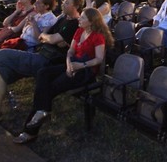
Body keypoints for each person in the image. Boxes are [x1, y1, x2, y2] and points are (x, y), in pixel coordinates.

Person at [0, 0, 84, 131]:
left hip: (47, 61)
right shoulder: (62, 19)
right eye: (64, 1)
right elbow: (45, 37)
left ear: (76, 6)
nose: (63, 4)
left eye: (67, 3)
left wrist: (50, 38)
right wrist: (50, 38)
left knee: (1, 54)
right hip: (41, 52)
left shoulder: (75, 24)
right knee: (2, 70)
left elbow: (50, 39)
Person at [13, 8, 114, 144]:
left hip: (86, 71)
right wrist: (69, 65)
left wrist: (80, 65)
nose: (79, 19)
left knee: (48, 89)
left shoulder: (98, 37)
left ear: (91, 22)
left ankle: (30, 131)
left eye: (83, 18)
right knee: (43, 73)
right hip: (72, 65)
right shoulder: (79, 31)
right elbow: (70, 51)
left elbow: (99, 59)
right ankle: (44, 111)